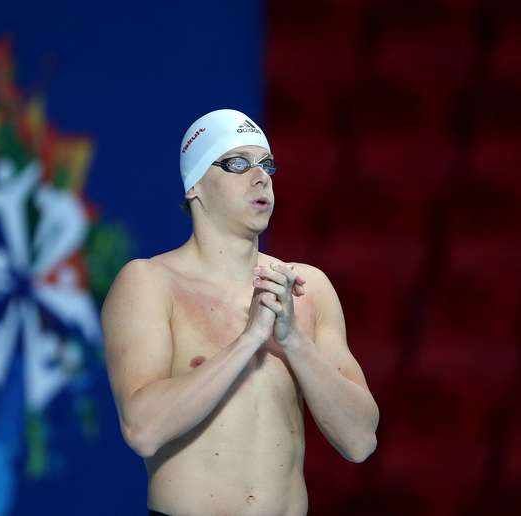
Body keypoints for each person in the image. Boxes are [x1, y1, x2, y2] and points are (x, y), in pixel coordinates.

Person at [100, 109, 380, 515]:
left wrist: (293, 341)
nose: (260, 175)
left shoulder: (306, 288)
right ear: (194, 184)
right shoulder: (150, 283)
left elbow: (360, 440)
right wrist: (250, 339)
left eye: (266, 164)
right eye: (237, 164)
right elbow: (143, 429)